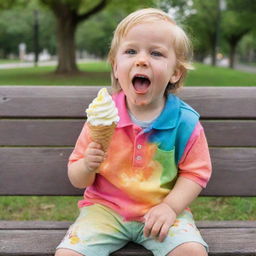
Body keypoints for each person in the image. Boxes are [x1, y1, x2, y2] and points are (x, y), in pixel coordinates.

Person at [56, 8, 212, 256]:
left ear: (175, 72)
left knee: (192, 252)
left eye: (156, 53)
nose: (141, 60)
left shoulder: (184, 121)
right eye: (130, 51)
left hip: (160, 211)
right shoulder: (102, 116)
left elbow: (196, 173)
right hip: (104, 210)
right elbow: (78, 178)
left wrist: (171, 207)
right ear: (116, 67)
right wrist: (87, 165)